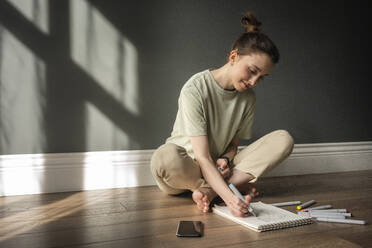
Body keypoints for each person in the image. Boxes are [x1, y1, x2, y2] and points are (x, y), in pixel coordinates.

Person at [151, 12, 294, 217]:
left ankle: (208, 191)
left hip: (218, 170)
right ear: (233, 57)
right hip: (186, 170)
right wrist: (231, 199)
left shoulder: (248, 98)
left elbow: (233, 144)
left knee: (284, 139)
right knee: (163, 157)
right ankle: (216, 188)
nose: (254, 82)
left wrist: (226, 159)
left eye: (262, 78)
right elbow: (201, 156)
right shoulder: (195, 88)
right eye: (252, 71)